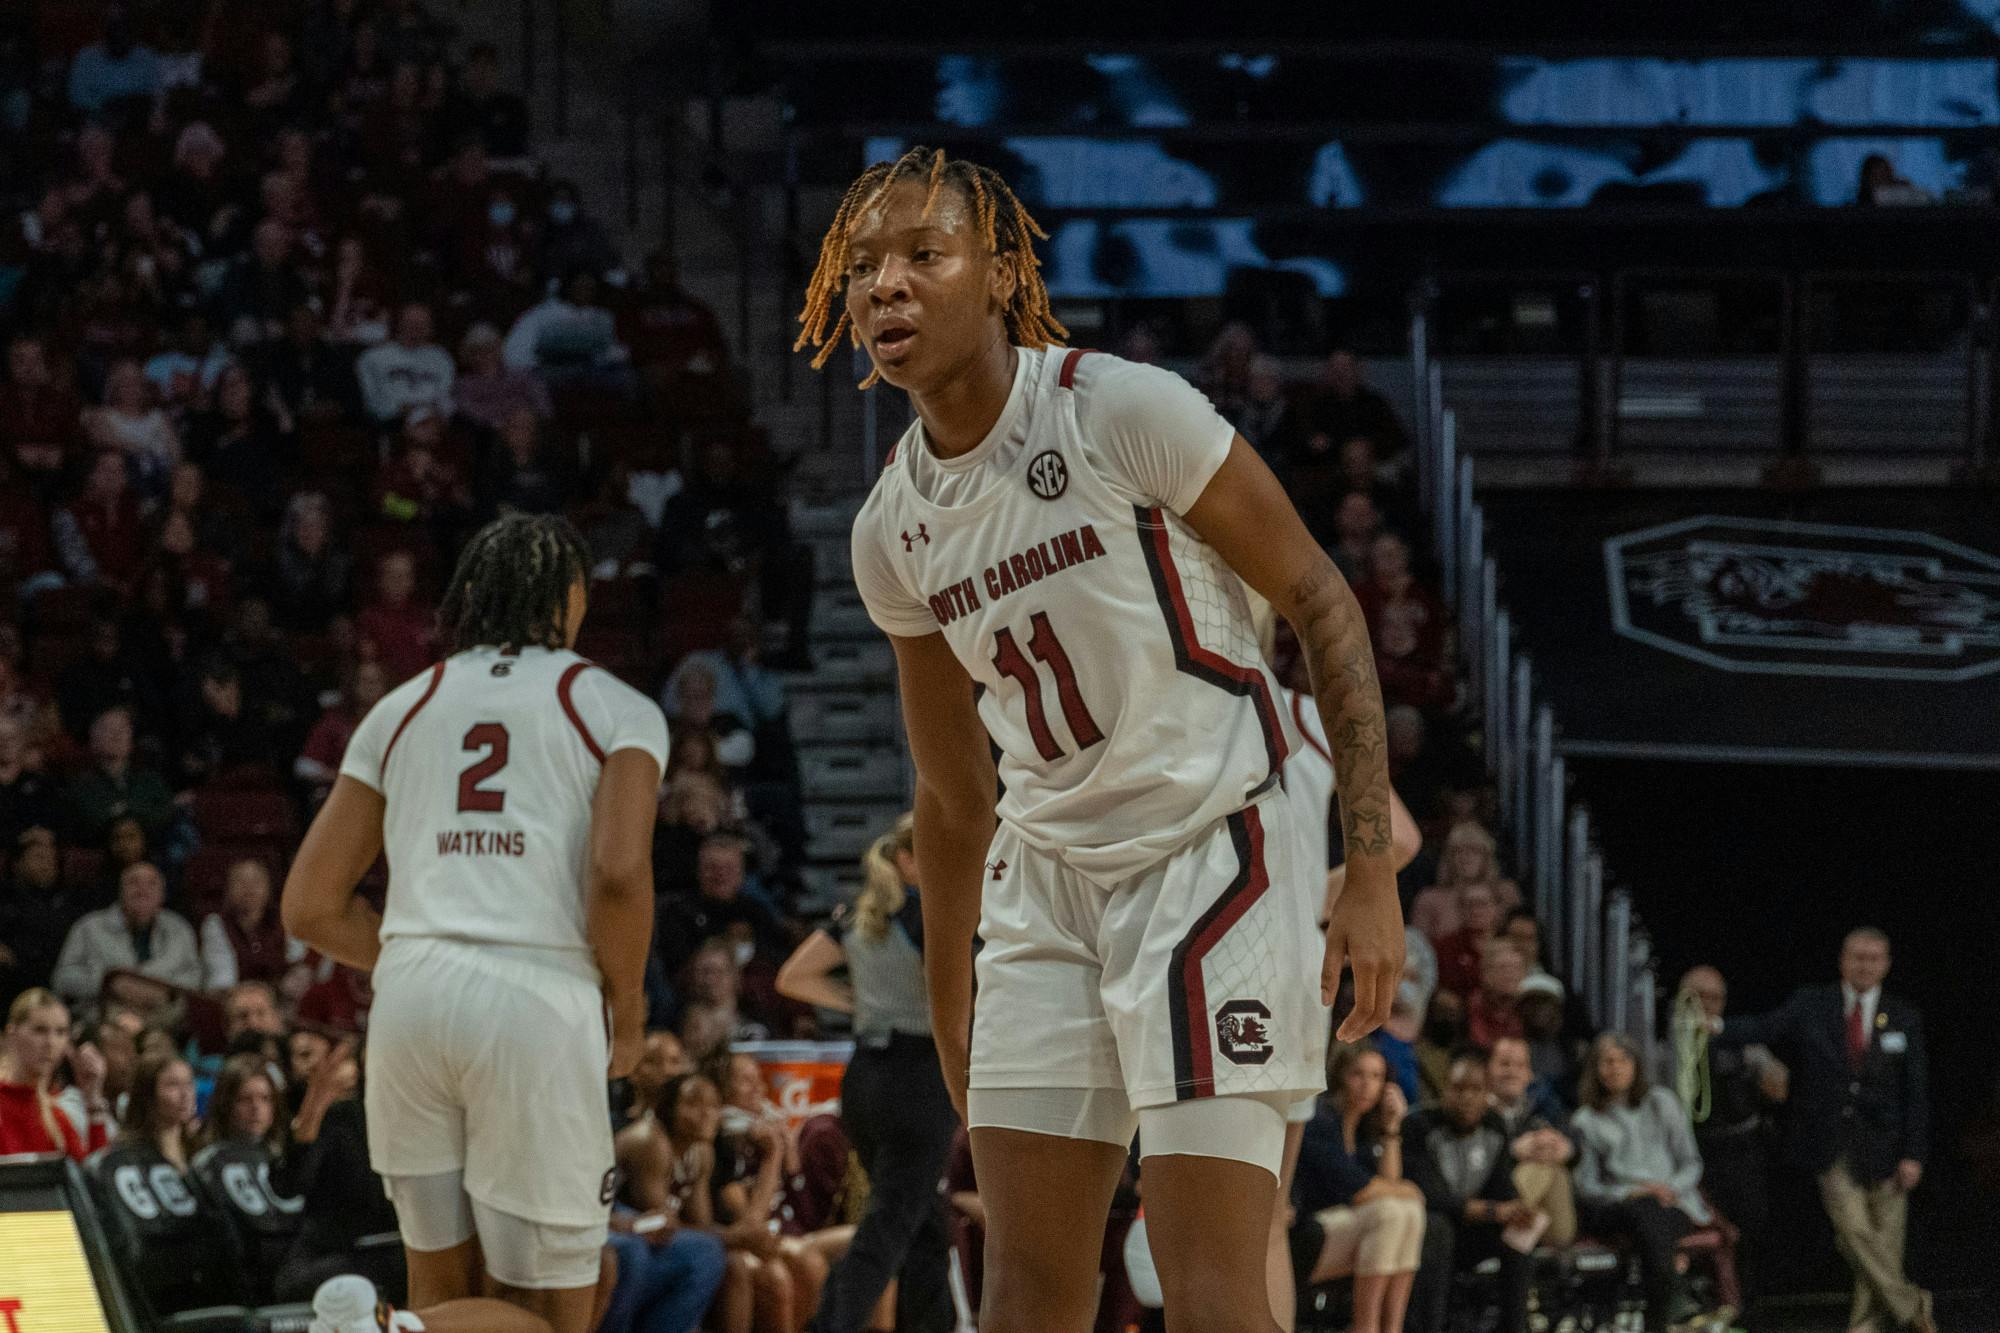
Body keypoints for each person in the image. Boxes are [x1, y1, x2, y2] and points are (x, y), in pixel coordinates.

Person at [796, 145, 1402, 1333]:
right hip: (1050, 878)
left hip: (1217, 846)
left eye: (925, 255)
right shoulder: (892, 528)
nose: (886, 288)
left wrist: (1369, 865)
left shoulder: (1119, 409)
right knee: (1026, 1290)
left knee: (1209, 1287)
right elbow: (949, 787)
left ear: (1000, 272)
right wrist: (949, 998)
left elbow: (1322, 599)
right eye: (864, 266)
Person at [283, 513, 670, 1333]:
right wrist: (628, 1018)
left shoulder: (401, 705)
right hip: (538, 995)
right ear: (570, 600)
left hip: (411, 997)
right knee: (552, 1314)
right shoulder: (612, 704)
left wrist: (410, 948)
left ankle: (392, 1326)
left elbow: (309, 905)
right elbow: (619, 872)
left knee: (444, 1286)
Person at [775, 813, 955, 1333]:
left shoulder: (859, 917)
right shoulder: (932, 918)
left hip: (865, 1080)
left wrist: (859, 1005)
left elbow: (793, 977)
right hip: (919, 1079)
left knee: (924, 1227)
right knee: (890, 1227)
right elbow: (956, 998)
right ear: (906, 860)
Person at [1709, 928, 1932, 1333]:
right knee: (1855, 1233)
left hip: (1888, 1147)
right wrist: (1714, 1028)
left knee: (1883, 1243)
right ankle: (1913, 1305)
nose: (1864, 965)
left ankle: (1864, 1327)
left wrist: (1914, 1153)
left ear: (1886, 964)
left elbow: (1915, 1092)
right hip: (1831, 1145)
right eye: (1857, 957)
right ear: (1842, 960)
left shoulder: (1903, 1015)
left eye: (1873, 958)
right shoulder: (1813, 1004)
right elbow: (1765, 1028)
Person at [1569, 1033, 1711, 1333]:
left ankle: (1661, 1311)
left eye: (1624, 1059)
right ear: (1595, 1069)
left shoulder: (1663, 1102)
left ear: (1636, 1065)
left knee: (1654, 1217)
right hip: (1617, 1204)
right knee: (1645, 1211)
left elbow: (1691, 1163)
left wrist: (1669, 1188)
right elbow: (1586, 1186)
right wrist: (1631, 1192)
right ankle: (1665, 1310)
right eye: (1607, 1061)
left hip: (1671, 1199)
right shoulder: (1586, 1120)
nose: (1616, 1068)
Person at [1292, 1046, 1425, 1333]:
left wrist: (1392, 1127)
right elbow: (1360, 1191)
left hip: (1346, 1231)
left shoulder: (1366, 1125)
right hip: (1306, 1233)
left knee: (1409, 1213)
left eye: (1376, 1077)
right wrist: (1408, 1190)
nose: (1367, 1085)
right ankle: (1365, 1327)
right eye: (1358, 1075)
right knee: (1390, 1211)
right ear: (1340, 1076)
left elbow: (1388, 1181)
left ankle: (1392, 1328)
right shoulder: (1320, 1119)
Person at [1402, 1054, 1534, 1333]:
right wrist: (1493, 1211)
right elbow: (1431, 1197)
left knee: (1519, 1234)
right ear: (1444, 1090)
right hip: (1429, 1234)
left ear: (1487, 1095)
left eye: (1476, 1090)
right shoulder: (1419, 1125)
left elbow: (1503, 1186)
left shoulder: (1494, 1126)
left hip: (1473, 1233)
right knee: (1439, 1227)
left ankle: (1514, 1326)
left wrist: (1518, 1209)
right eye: (1459, 1089)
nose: (1467, 1098)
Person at [53, 861, 203, 1003]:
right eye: (134, 882)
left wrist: (164, 989)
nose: (143, 890)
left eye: (152, 883)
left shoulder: (180, 928)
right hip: (103, 1012)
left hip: (163, 1014)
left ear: (162, 894)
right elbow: (63, 979)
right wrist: (108, 985)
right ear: (121, 891)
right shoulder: (88, 927)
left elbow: (195, 977)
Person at [1485, 1036, 1576, 1248]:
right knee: (1543, 1168)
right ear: (1488, 1069)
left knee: (1553, 1169)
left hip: (1540, 1219)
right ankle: (1516, 1247)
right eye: (1504, 1064)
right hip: (1488, 1203)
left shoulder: (1542, 1109)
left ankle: (1516, 1244)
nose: (1512, 1072)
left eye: (1520, 1065)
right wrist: (1512, 1151)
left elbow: (1575, 1139)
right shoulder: (1474, 1110)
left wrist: (1565, 1149)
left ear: (1530, 1074)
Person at [0, 988, 112, 1159]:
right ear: (12, 1033)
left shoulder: (55, 1116)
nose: (50, 1043)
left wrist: (93, 1099)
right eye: (39, 1030)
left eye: (60, 1032)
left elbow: (94, 1179)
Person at [122, 1050, 200, 1171]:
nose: (185, 1094)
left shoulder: (201, 1147)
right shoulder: (129, 1153)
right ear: (148, 1094)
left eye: (189, 1083)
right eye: (173, 1085)